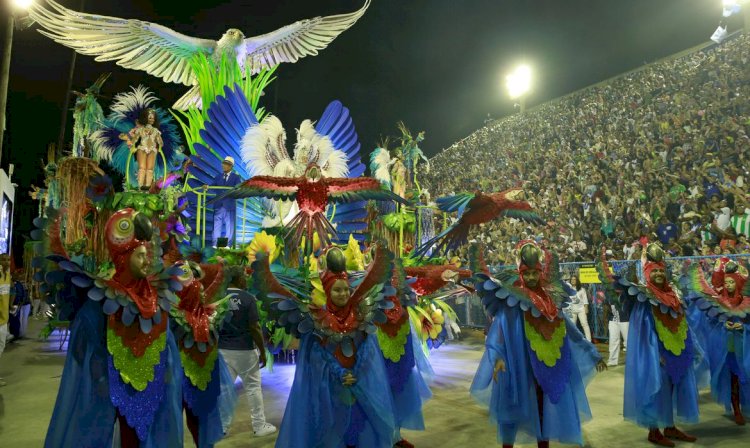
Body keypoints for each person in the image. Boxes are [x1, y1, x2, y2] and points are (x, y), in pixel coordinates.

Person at [253, 245, 397, 448]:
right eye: (337, 290)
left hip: (358, 386)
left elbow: (367, 347)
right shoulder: (315, 318)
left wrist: (355, 371)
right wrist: (339, 373)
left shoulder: (361, 312)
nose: (343, 294)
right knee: (331, 435)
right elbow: (318, 353)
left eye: (346, 289)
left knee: (358, 433)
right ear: (328, 291)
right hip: (328, 390)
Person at [471, 241, 605, 448]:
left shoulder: (551, 297)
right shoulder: (511, 298)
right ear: (520, 272)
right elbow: (499, 330)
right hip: (518, 364)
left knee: (545, 408)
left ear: (541, 271)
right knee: (513, 406)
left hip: (546, 364)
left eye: (535, 272)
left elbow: (568, 327)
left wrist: (592, 352)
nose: (532, 278)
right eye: (527, 273)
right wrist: (497, 357)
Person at [615, 243, 700, 447]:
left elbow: (682, 322)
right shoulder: (645, 297)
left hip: (676, 350)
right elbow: (644, 329)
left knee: (673, 387)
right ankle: (654, 431)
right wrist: (655, 354)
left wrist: (691, 346)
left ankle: (669, 426)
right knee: (657, 389)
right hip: (657, 353)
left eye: (662, 270)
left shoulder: (674, 294)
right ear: (647, 273)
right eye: (655, 271)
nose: (659, 274)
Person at [172, 261, 237, 447]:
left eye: (202, 288)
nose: (202, 292)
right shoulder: (174, 316)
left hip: (205, 371)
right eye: (197, 289)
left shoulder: (209, 316)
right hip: (180, 374)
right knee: (180, 416)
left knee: (202, 418)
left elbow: (214, 289)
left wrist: (222, 274)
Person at [684, 260, 749, 426]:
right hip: (728, 348)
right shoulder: (718, 301)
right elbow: (710, 321)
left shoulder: (746, 301)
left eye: (732, 281)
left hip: (745, 347)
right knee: (734, 378)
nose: (728, 285)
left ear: (739, 282)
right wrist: (723, 324)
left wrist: (743, 326)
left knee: (745, 378)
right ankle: (736, 408)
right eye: (726, 282)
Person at [218, 265, 277, 437]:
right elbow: (255, 326)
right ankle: (259, 426)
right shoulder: (248, 298)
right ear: (238, 279)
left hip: (223, 349)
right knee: (253, 388)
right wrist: (263, 351)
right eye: (244, 276)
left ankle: (222, 426)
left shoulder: (219, 297)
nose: (247, 279)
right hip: (245, 350)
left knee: (225, 390)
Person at [119, 108, 163, 190]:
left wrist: (160, 144)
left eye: (153, 118)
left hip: (152, 150)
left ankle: (147, 187)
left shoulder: (156, 131)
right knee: (142, 168)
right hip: (142, 148)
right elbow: (135, 140)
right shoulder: (140, 130)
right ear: (145, 118)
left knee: (150, 169)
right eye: (150, 117)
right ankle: (140, 186)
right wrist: (129, 142)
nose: (152, 119)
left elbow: (160, 142)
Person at [206, 156, 242, 247]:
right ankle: (215, 244)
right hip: (218, 205)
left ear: (231, 166)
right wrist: (207, 187)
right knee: (216, 226)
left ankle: (227, 245)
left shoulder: (236, 177)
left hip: (229, 206)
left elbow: (238, 189)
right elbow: (212, 186)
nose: (224, 165)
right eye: (223, 163)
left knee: (229, 226)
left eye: (226, 164)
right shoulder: (218, 177)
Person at [568, 275, 592, 341]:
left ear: (577, 280)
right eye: (572, 279)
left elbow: (585, 300)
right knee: (572, 326)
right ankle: (573, 341)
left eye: (574, 279)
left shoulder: (581, 289)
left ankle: (589, 340)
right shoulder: (568, 288)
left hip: (581, 310)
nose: (573, 281)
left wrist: (586, 308)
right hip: (572, 310)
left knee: (584, 324)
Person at [0, 256, 10, 387]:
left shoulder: (8, 275)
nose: (7, 262)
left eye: (8, 260)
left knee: (1, 347)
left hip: (4, 319)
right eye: (3, 260)